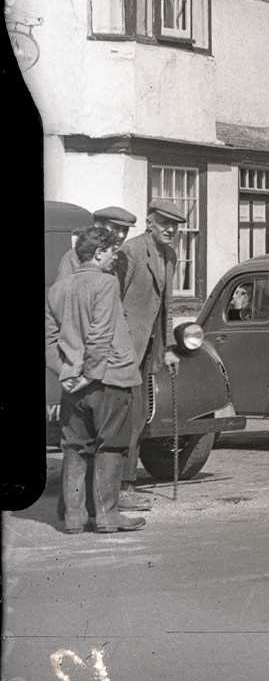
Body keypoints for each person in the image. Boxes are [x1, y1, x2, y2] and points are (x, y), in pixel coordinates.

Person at [45, 226, 146, 533]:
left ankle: (74, 517)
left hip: (72, 384)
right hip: (108, 378)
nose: (114, 258)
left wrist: (67, 374)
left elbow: (49, 341)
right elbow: (101, 334)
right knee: (111, 446)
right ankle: (106, 515)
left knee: (74, 447)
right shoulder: (105, 283)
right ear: (99, 252)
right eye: (112, 252)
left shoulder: (57, 289)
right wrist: (89, 375)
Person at [116, 202, 183, 494]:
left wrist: (168, 347)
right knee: (123, 413)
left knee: (140, 414)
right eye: (164, 223)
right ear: (149, 223)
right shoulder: (130, 251)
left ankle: (126, 480)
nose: (170, 230)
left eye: (175, 225)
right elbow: (113, 302)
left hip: (149, 349)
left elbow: (168, 306)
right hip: (124, 348)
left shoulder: (170, 255)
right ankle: (119, 483)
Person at [53, 206, 138, 282]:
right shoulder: (74, 256)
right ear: (98, 226)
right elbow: (61, 293)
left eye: (125, 230)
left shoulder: (121, 257)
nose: (121, 235)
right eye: (115, 228)